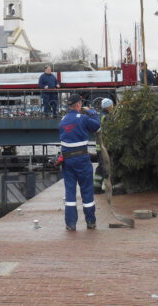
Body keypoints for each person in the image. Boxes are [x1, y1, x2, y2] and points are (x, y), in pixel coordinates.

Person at [59, 93, 101, 231]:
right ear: (78, 104)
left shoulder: (63, 120)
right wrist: (92, 113)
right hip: (82, 158)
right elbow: (97, 126)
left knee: (70, 192)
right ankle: (90, 221)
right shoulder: (83, 118)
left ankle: (70, 224)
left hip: (67, 159)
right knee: (87, 190)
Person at [93, 97, 114, 193]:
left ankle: (96, 187)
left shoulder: (100, 115)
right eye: (112, 105)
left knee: (101, 166)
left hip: (99, 145)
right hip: (104, 146)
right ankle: (104, 187)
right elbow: (109, 132)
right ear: (108, 106)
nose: (113, 107)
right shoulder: (106, 117)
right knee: (105, 166)